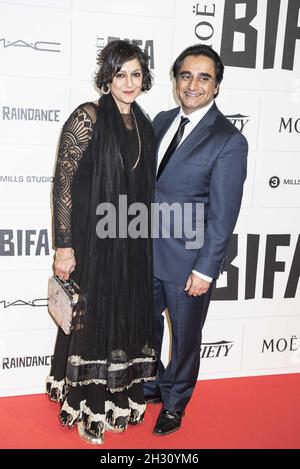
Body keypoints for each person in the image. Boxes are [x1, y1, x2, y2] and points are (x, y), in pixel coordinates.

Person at [47, 40, 157, 445]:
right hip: (92, 246)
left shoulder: (144, 123)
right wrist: (64, 245)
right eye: (120, 73)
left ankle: (118, 395)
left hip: (130, 244)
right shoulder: (88, 116)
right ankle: (88, 404)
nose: (128, 82)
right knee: (91, 321)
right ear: (106, 76)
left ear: (143, 78)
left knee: (123, 318)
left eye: (135, 74)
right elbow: (63, 186)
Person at [144, 44, 248, 436]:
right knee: (147, 326)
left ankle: (175, 402)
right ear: (175, 80)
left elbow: (224, 214)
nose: (193, 84)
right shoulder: (161, 119)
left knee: (186, 337)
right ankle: (155, 381)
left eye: (204, 77)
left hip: (188, 262)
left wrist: (206, 268)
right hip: (145, 250)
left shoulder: (228, 140)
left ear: (217, 86)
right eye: (186, 75)